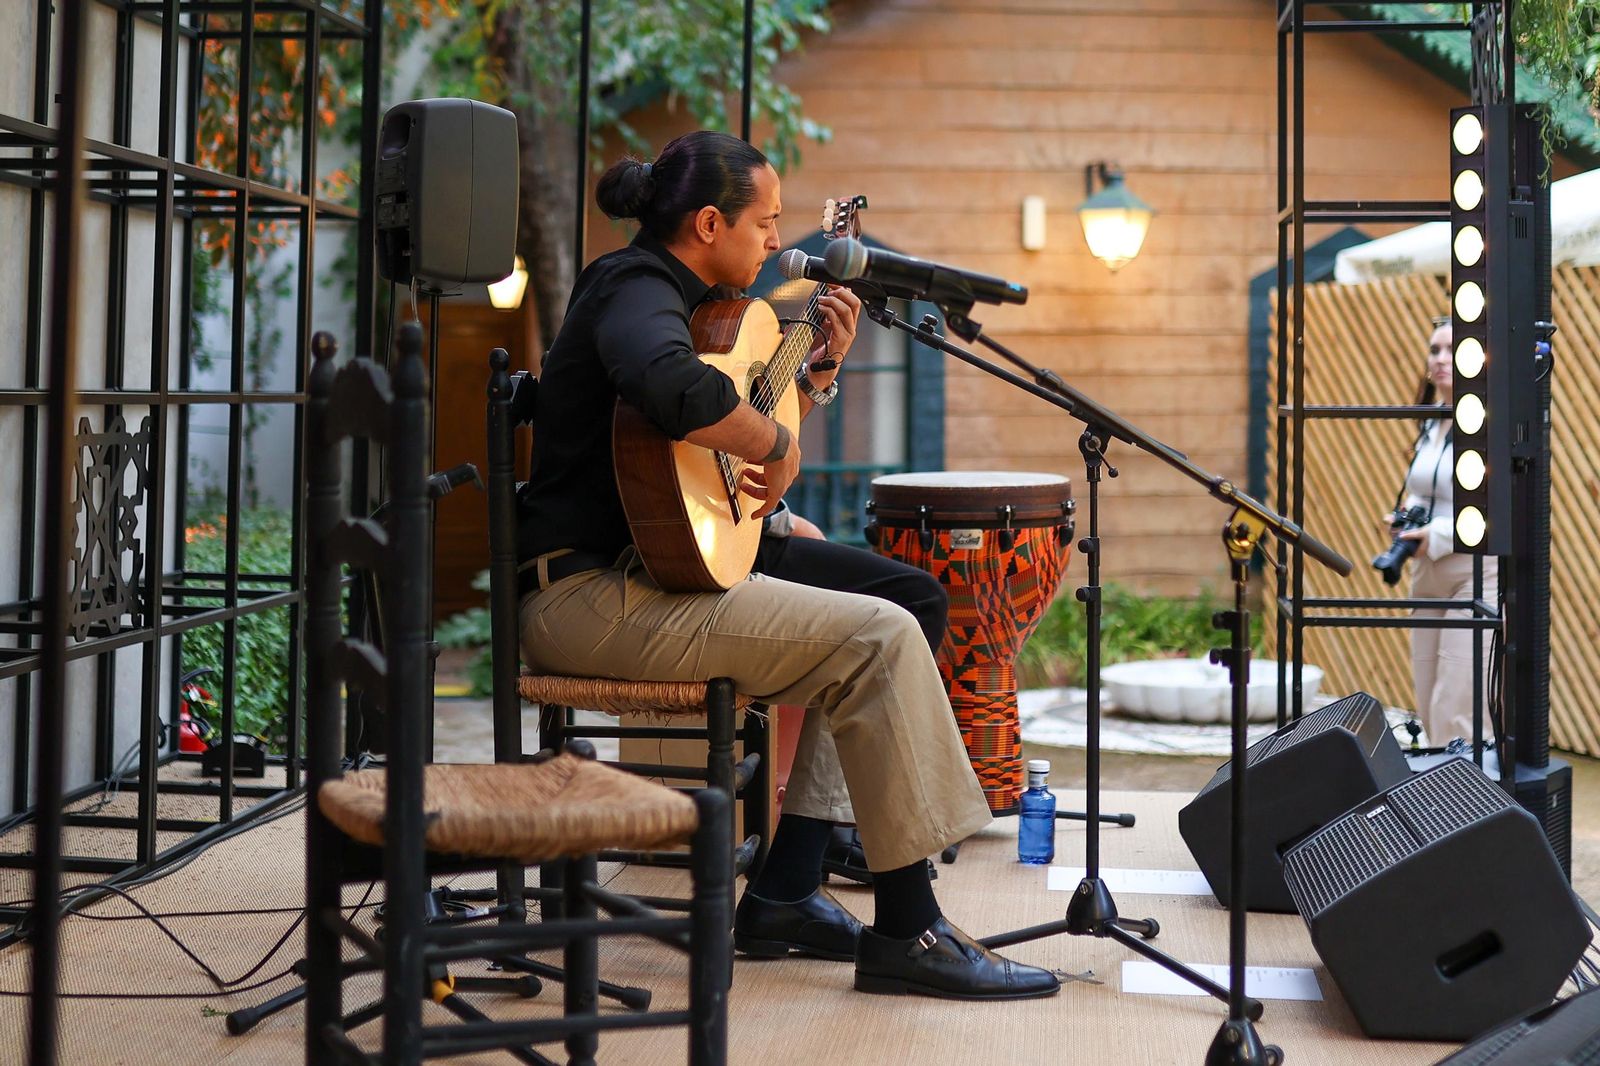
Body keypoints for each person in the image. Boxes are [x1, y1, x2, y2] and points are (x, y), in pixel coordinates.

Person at [515, 130, 1057, 1001]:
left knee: (898, 602)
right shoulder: (633, 285)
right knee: (877, 637)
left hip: (655, 569)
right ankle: (908, 928)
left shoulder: (698, 304)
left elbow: (702, 461)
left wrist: (817, 373)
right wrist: (773, 440)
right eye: (764, 222)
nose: (777, 242)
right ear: (705, 223)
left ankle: (788, 890)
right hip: (588, 593)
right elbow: (671, 388)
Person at [1386, 318, 1499, 746]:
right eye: (1434, 350)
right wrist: (1405, 520)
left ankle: (1467, 802)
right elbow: (1424, 493)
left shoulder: (1488, 420)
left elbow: (1494, 508)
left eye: (1452, 350)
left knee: (1457, 701)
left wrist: (1433, 534)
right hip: (1426, 571)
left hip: (1474, 571)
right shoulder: (1432, 421)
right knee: (1427, 689)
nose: (1440, 360)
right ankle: (1436, 800)